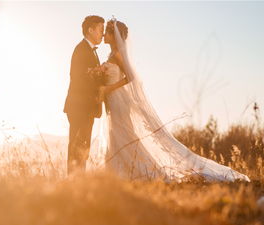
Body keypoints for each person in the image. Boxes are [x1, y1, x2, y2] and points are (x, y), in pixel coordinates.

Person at [99, 19, 250, 182]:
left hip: (119, 101)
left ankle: (140, 171)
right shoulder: (112, 54)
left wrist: (109, 88)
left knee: (125, 134)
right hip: (112, 101)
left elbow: (130, 77)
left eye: (106, 32)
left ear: (113, 36)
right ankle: (116, 172)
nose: (103, 35)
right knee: (117, 133)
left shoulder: (118, 54)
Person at [63, 15, 105, 175]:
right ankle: (73, 181)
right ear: (90, 30)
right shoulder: (81, 49)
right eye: (100, 29)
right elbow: (77, 76)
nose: (102, 33)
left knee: (84, 146)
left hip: (87, 107)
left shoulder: (92, 51)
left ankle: (79, 181)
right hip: (79, 106)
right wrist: (98, 72)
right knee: (77, 145)